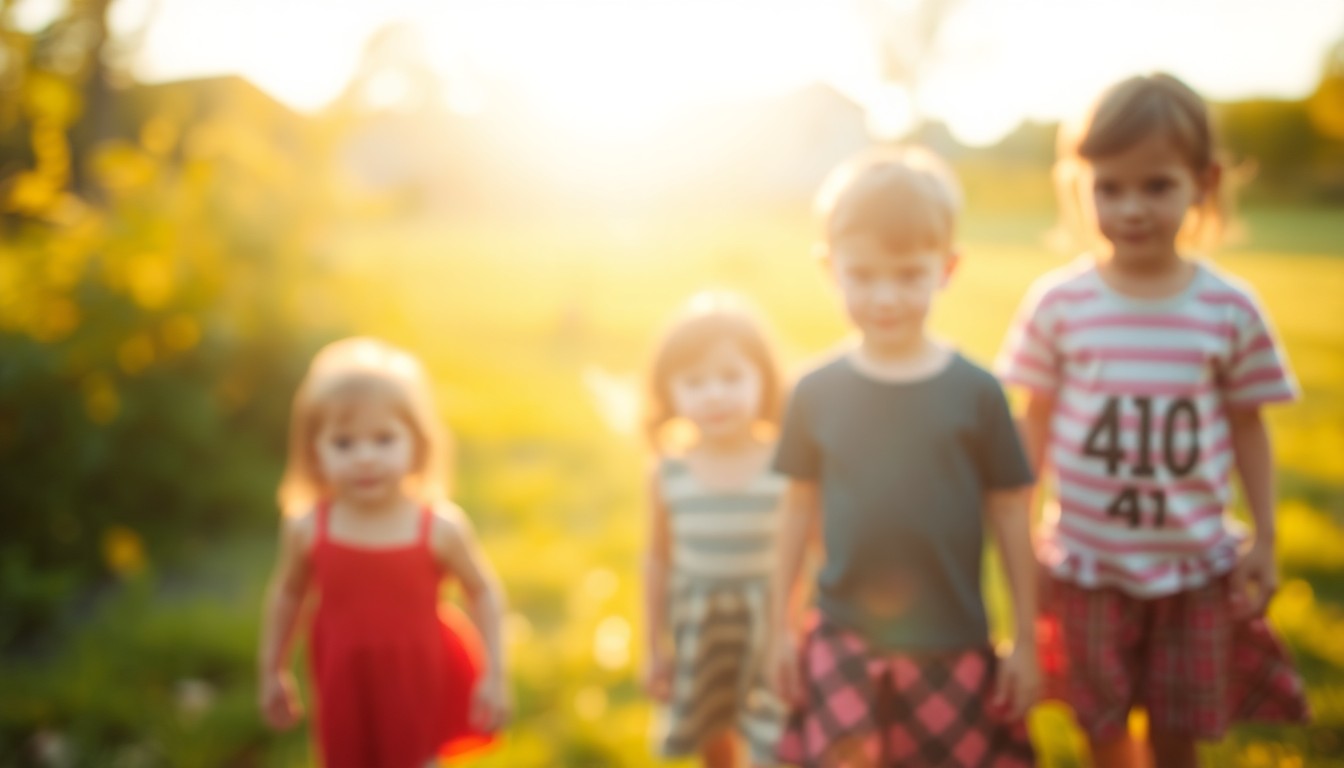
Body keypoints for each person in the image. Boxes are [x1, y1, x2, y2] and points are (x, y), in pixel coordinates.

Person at [996, 73, 1310, 768]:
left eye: (1156, 186)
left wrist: (1265, 535)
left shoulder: (1228, 309)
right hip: (1087, 563)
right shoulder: (1059, 306)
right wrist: (1020, 532)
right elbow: (1033, 427)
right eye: (1109, 187)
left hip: (1192, 567)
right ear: (1081, 185)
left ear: (1203, 181)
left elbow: (1249, 426)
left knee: (1177, 734)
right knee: (1101, 728)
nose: (1131, 208)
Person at [769, 147, 1040, 767]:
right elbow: (795, 512)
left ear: (946, 267)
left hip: (954, 640)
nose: (885, 297)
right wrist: (778, 629)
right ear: (828, 267)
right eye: (862, 276)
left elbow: (1010, 518)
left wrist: (1025, 640)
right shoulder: (814, 391)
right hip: (841, 635)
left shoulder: (977, 392)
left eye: (908, 275)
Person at [257, 337, 509, 768]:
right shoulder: (307, 528)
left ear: (418, 443)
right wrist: (272, 669)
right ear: (313, 450)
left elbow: (483, 591)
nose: (366, 458)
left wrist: (495, 673)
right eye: (344, 443)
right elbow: (288, 595)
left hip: (416, 673)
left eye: (383, 439)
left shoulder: (439, 528)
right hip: (343, 673)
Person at [642, 292, 789, 767]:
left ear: (763, 379)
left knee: (773, 735)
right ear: (669, 392)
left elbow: (809, 551)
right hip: (700, 622)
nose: (714, 394)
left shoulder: (785, 466)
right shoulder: (668, 473)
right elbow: (656, 558)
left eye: (731, 377)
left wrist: (793, 630)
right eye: (695, 381)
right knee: (713, 726)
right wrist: (652, 645)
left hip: (768, 620)